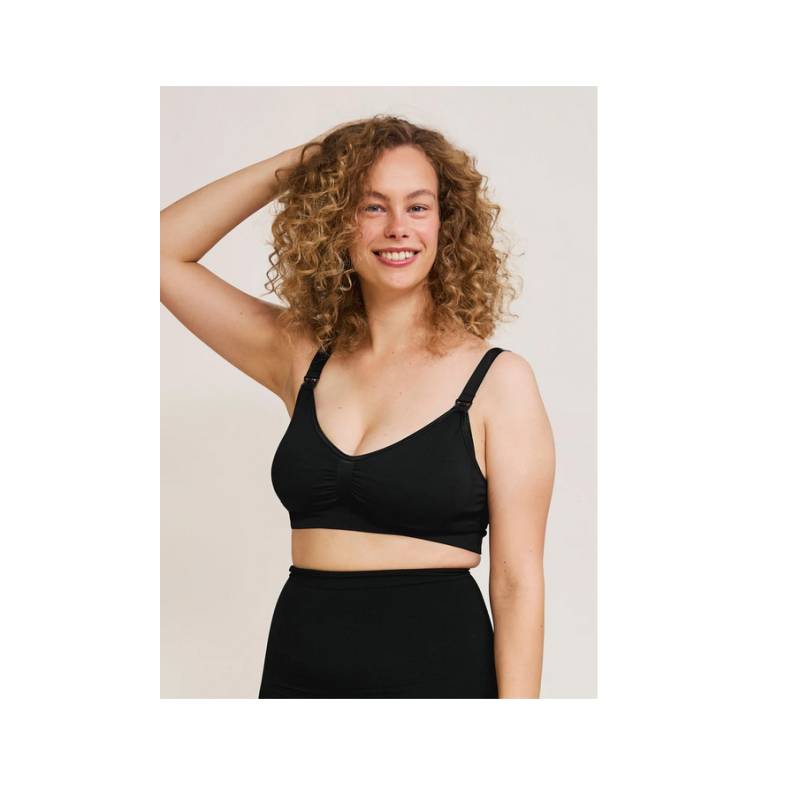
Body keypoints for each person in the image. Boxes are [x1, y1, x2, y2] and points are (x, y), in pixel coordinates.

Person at [160, 115, 555, 698]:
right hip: (299, 669)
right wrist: (312, 159)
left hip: (438, 675)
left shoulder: (498, 381)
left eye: (418, 207)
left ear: (447, 223)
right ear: (336, 219)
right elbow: (159, 253)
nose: (398, 228)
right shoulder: (300, 356)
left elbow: (518, 581)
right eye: (372, 205)